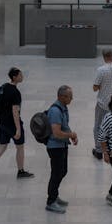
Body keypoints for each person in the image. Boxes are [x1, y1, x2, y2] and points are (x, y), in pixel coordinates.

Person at [0, 67, 34, 183]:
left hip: (2, 123)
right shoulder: (15, 93)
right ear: (14, 77)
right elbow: (15, 112)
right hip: (12, 124)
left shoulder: (4, 87)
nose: (22, 77)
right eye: (20, 75)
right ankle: (21, 171)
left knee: (2, 147)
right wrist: (18, 129)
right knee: (20, 147)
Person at [45, 84, 77, 213]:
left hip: (62, 145)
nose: (72, 99)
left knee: (63, 171)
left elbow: (64, 126)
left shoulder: (63, 108)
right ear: (62, 97)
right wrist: (70, 135)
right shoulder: (55, 111)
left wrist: (71, 136)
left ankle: (54, 195)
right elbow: (56, 133)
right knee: (56, 173)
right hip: (55, 147)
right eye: (70, 96)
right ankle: (51, 201)